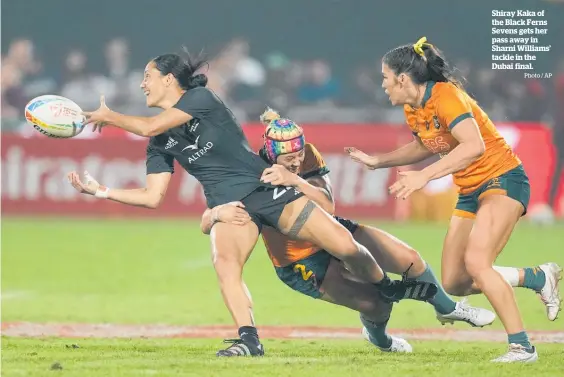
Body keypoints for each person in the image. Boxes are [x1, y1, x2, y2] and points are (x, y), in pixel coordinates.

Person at [66, 49, 438, 357]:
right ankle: (249, 339)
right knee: (225, 264)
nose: (142, 83)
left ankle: (386, 286)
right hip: (230, 206)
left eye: (147, 75)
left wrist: (109, 116)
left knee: (344, 244)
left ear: (168, 79)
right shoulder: (160, 143)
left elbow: (147, 125)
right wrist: (101, 191)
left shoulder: (200, 99)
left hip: (263, 188)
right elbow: (151, 197)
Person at [200, 109, 496, 355]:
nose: (297, 160)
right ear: (270, 153)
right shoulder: (248, 172)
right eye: (289, 157)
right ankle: (381, 339)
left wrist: (293, 179)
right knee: (376, 304)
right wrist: (214, 213)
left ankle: (447, 307)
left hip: (332, 230)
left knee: (410, 259)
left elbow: (327, 205)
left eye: (300, 152)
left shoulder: (307, 158)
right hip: (300, 262)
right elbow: (206, 221)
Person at [346, 37, 562, 363]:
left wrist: (424, 176)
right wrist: (380, 161)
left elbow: (473, 146)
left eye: (385, 77)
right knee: (455, 281)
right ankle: (535, 277)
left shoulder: (446, 95)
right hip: (471, 190)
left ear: (403, 79)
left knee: (477, 263)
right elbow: (426, 145)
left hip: (503, 179)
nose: (383, 84)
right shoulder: (413, 108)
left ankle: (522, 347)